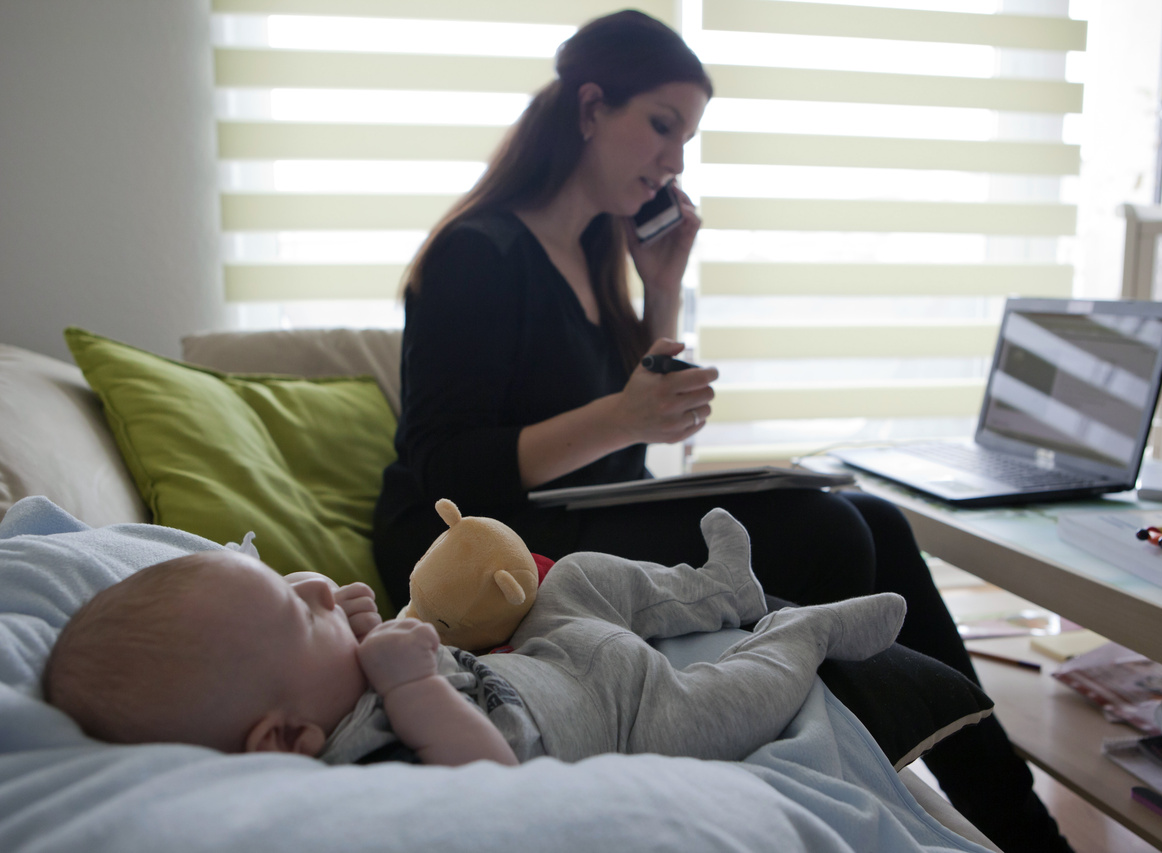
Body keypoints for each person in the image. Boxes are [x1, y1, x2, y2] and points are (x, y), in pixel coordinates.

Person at [372, 10, 1073, 852]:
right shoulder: (476, 254)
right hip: (478, 552)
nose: (674, 161)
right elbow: (449, 467)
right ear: (591, 109)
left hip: (560, 520)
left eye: (687, 138)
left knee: (877, 522)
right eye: (661, 127)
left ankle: (1021, 825)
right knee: (827, 533)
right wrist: (623, 412)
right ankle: (864, 791)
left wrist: (659, 285)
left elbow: (623, 456)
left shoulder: (593, 257)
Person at [43, 510, 907, 768]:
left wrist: (356, 631)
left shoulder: (329, 688)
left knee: (573, 575)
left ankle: (715, 590)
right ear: (282, 738)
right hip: (629, 715)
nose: (311, 583)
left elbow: (393, 658)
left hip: (546, 656)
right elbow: (487, 770)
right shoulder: (364, 760)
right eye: (294, 609)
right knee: (745, 699)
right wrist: (411, 686)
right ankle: (804, 632)